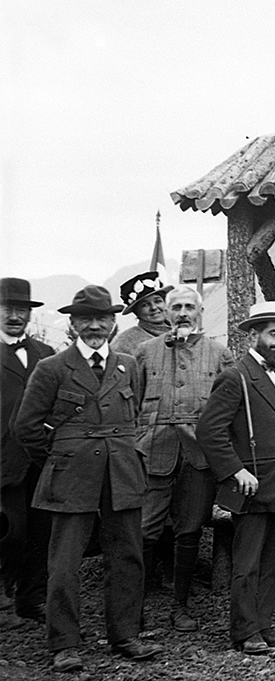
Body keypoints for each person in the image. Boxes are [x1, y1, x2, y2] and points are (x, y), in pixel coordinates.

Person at [15, 286, 161, 672]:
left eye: (103, 319)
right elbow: (26, 428)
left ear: (114, 323)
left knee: (127, 555)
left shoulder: (128, 364)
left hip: (122, 473)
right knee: (64, 562)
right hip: (70, 474)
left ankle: (125, 634)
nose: (95, 326)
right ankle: (64, 643)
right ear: (73, 323)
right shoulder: (53, 368)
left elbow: (136, 418)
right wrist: (61, 456)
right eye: (86, 319)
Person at [196, 301, 275, 654]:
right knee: (247, 563)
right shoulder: (236, 377)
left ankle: (263, 624)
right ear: (254, 334)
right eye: (273, 334)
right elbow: (209, 431)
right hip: (253, 485)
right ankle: (244, 631)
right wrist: (235, 470)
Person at [134, 287, 235, 631]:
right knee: (145, 531)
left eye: (189, 306)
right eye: (175, 306)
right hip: (153, 453)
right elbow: (130, 403)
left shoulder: (219, 355)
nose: (182, 313)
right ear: (166, 312)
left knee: (189, 531)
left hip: (198, 457)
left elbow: (230, 410)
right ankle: (136, 607)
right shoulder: (145, 352)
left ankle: (181, 607)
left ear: (200, 312)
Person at [0, 278, 53, 627]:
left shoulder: (46, 356)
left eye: (21, 310)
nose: (15, 316)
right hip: (3, 460)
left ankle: (31, 599)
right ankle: (2, 601)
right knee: (7, 530)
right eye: (8, 310)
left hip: (41, 459)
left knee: (41, 531)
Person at [112, 271, 173, 356]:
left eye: (158, 301)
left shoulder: (183, 332)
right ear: (136, 312)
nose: (153, 307)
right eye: (144, 305)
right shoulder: (125, 342)